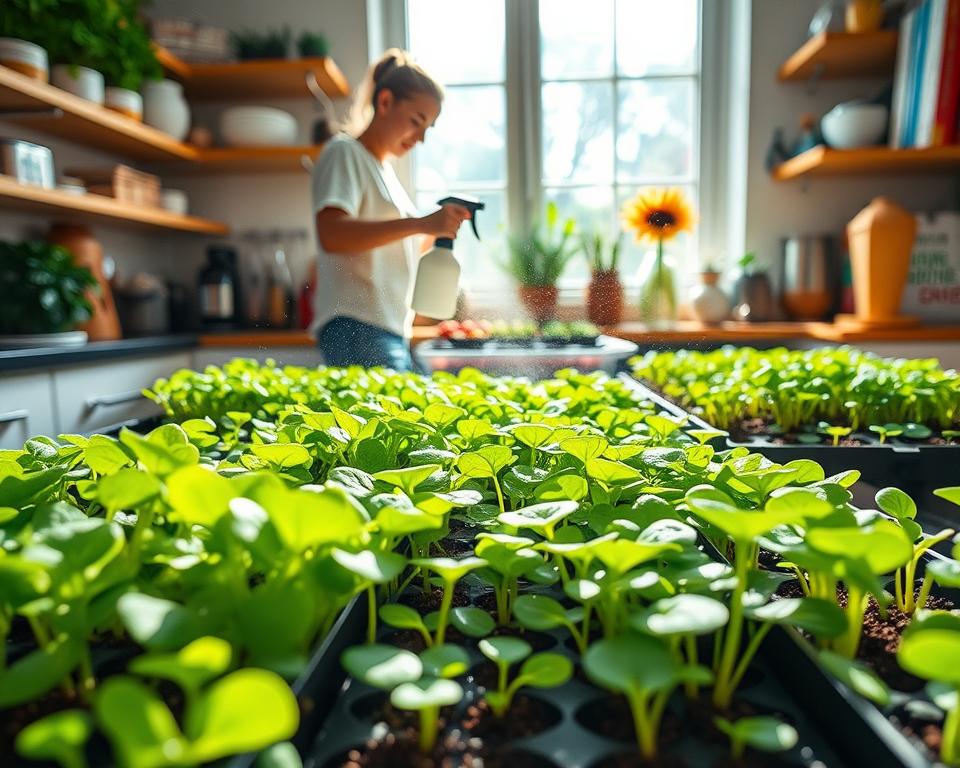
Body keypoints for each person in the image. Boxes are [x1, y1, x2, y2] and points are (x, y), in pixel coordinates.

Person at [311, 48, 471, 370]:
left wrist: (436, 230)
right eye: (417, 121)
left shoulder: (385, 173)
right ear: (384, 102)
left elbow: (390, 246)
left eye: (429, 128)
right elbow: (332, 233)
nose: (421, 138)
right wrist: (420, 224)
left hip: (388, 328)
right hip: (355, 325)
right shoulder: (344, 153)